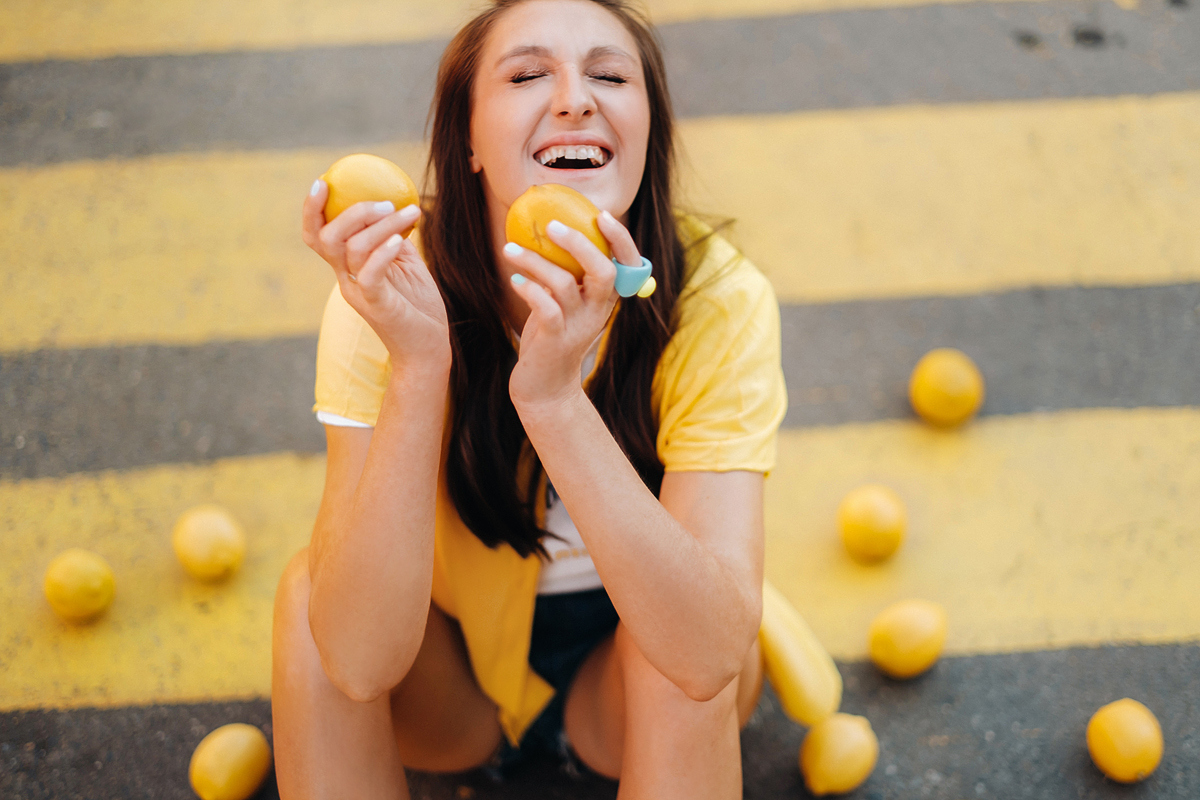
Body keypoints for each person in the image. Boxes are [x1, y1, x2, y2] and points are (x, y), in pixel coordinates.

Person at [271, 0, 787, 797]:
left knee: (675, 618)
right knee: (310, 598)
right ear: (469, 141)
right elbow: (359, 661)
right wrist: (417, 366)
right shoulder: (386, 291)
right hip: (452, 678)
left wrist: (552, 401)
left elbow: (709, 654)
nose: (576, 97)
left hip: (629, 681)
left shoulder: (716, 298)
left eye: (610, 75)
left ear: (647, 133)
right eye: (526, 75)